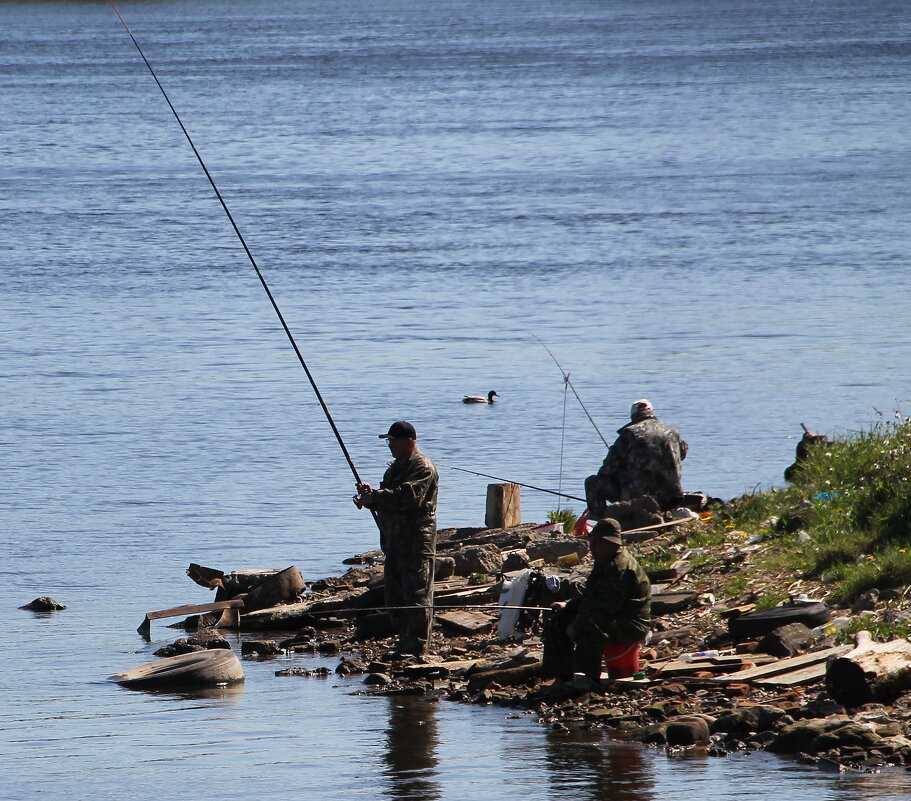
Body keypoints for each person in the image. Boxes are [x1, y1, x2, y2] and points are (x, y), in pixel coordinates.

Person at [354, 421, 439, 657]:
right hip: (394, 543)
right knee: (395, 597)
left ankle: (418, 649)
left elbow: (409, 497)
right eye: (388, 441)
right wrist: (368, 497)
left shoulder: (423, 467)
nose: (390, 445)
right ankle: (404, 644)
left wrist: (378, 497)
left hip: (416, 543)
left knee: (417, 596)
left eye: (393, 441)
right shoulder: (394, 468)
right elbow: (388, 498)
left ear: (409, 442)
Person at [541, 518, 651, 684]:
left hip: (631, 623)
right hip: (611, 616)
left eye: (595, 544)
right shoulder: (604, 562)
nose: (591, 549)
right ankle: (560, 674)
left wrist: (577, 624)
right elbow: (590, 595)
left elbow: (604, 608)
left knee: (587, 626)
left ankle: (586, 675)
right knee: (560, 618)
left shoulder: (620, 569)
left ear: (608, 543)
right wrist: (567, 607)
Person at [584, 398, 687, 516]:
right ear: (652, 414)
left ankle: (605, 522)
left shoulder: (630, 434)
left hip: (637, 498)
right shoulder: (673, 432)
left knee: (592, 482)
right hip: (671, 498)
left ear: (633, 417)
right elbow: (682, 454)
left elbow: (608, 468)